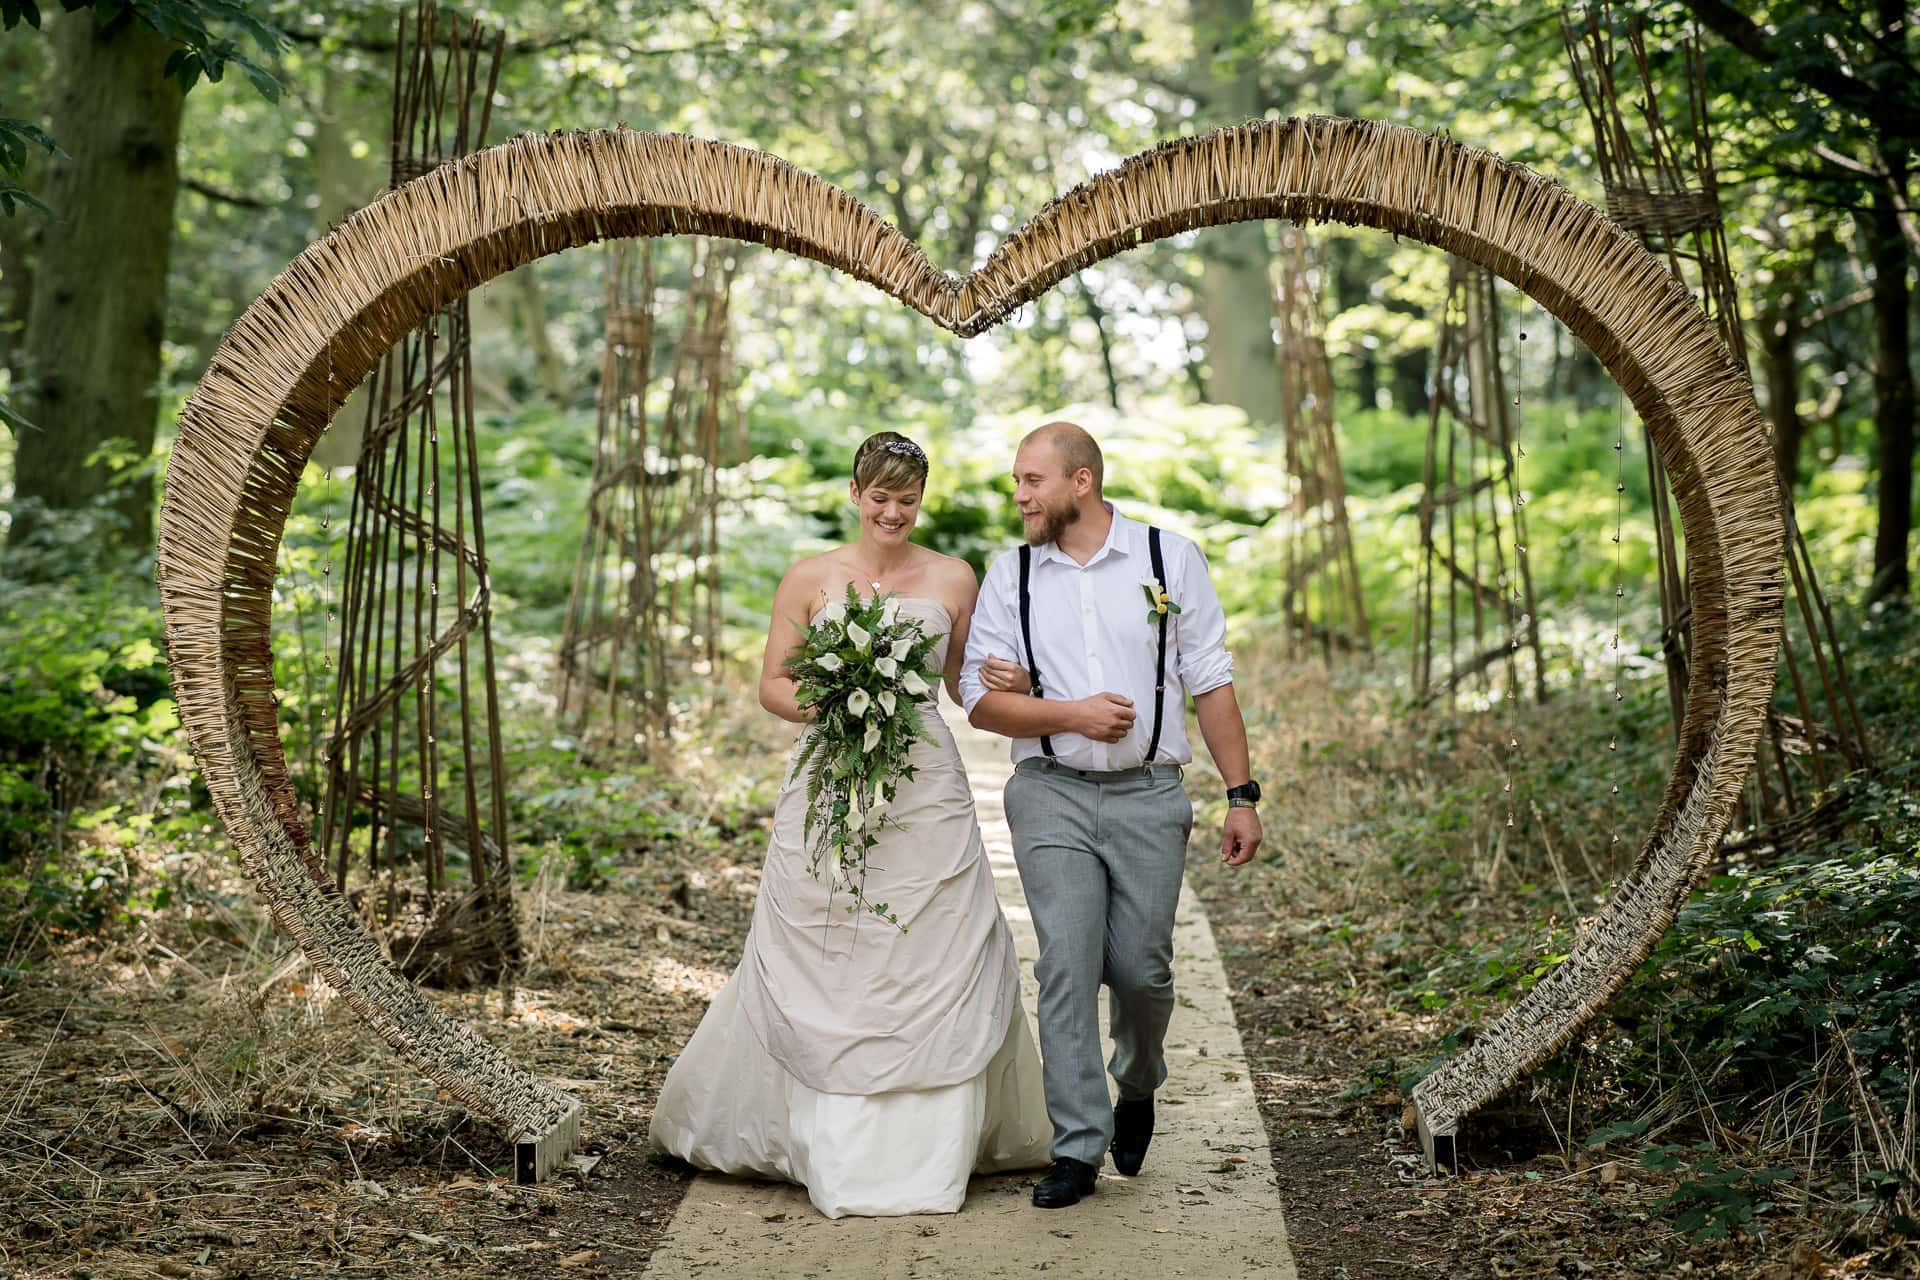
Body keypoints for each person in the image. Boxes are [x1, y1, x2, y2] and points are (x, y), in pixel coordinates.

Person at [649, 430, 1051, 1219]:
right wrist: (837, 704)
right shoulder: (810, 577)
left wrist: (1021, 679)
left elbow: (969, 688)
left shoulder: (954, 576)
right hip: (830, 772)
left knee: (935, 931)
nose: (894, 512)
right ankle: (818, 1131)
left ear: (921, 500)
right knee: (830, 928)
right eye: (880, 498)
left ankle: (938, 1139)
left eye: (907, 500)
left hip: (924, 779)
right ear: (857, 494)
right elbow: (772, 684)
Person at [960, 421, 1264, 1210]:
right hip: (1050, 792)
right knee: (1065, 964)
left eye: (1032, 480)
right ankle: (1077, 1148)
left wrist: (1241, 795)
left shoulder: (1171, 560)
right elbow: (980, 703)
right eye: (1018, 481)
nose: (1019, 495)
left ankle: (1137, 1083)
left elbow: (1211, 680)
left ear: (1081, 482)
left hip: (1150, 797)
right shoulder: (1011, 576)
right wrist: (1067, 712)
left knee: (1140, 970)